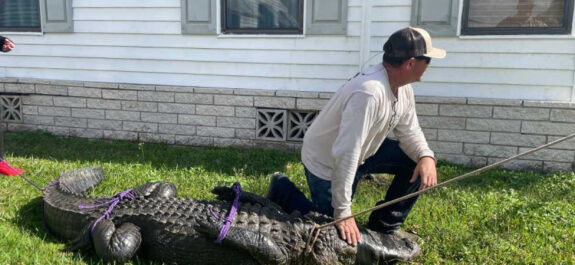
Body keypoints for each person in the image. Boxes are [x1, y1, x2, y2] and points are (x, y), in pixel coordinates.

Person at [268, 27, 446, 246]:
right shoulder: (368, 93)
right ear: (410, 63)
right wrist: (342, 211)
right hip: (327, 159)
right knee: (330, 231)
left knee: (417, 162)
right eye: (427, 59)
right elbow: (346, 152)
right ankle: (282, 188)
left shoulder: (403, 87)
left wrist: (426, 156)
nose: (429, 65)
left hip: (364, 150)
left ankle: (384, 227)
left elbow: (409, 130)